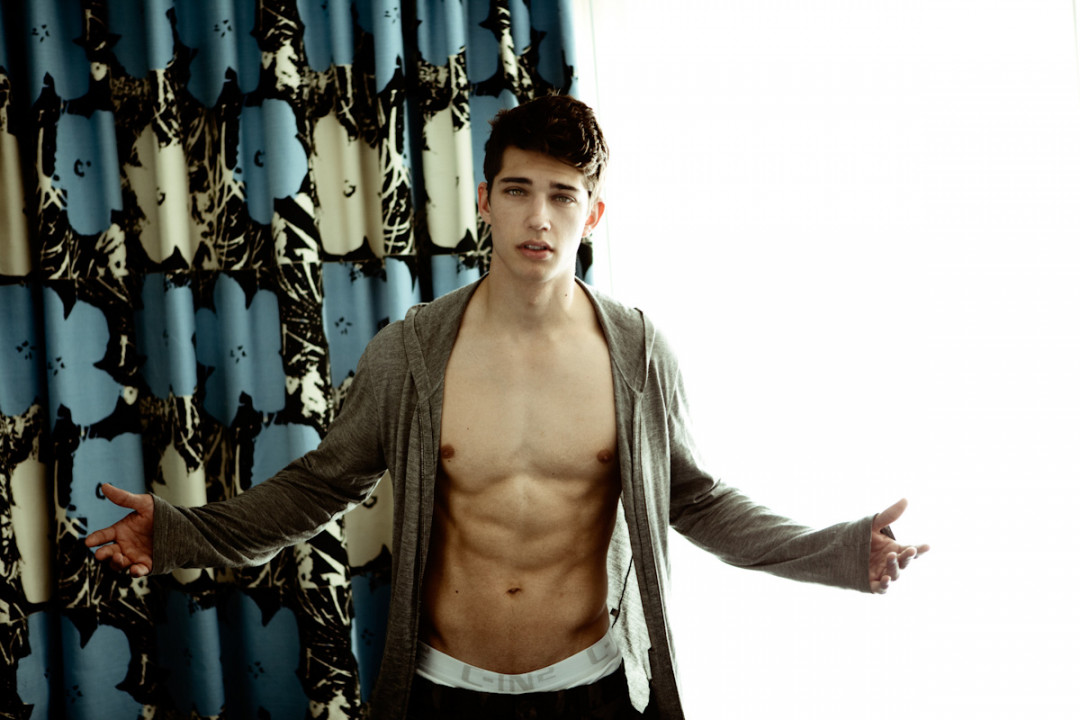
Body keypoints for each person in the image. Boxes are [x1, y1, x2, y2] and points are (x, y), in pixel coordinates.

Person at [86, 94, 928, 719]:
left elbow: (696, 500)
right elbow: (322, 484)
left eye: (563, 195)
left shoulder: (638, 353)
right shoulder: (413, 351)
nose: (539, 217)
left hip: (594, 688)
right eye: (519, 190)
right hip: (443, 690)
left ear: (593, 214)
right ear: (485, 199)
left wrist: (837, 551)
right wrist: (182, 535)